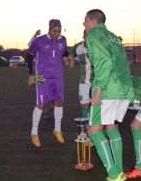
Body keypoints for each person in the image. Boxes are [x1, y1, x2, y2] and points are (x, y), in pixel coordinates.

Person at [84, 9, 134, 181]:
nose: (83, 24)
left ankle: (114, 174)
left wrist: (98, 90)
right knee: (111, 127)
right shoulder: (113, 36)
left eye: (85, 20)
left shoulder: (94, 35)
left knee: (94, 131)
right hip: (123, 87)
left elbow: (103, 63)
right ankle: (119, 171)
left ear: (92, 20)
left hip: (108, 88)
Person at [28, 19, 71, 147]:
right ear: (49, 29)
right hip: (42, 76)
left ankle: (57, 130)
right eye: (54, 31)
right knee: (41, 103)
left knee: (59, 102)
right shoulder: (39, 41)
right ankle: (34, 133)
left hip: (57, 76)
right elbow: (29, 56)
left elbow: (65, 52)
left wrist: (67, 58)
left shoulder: (62, 40)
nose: (57, 34)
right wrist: (31, 74)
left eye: (59, 31)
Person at [73, 30, 94, 119]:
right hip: (84, 81)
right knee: (84, 104)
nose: (88, 37)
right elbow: (73, 59)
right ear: (83, 36)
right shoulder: (79, 48)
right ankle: (86, 125)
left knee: (97, 104)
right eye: (86, 35)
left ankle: (96, 125)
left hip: (98, 81)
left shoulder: (99, 47)